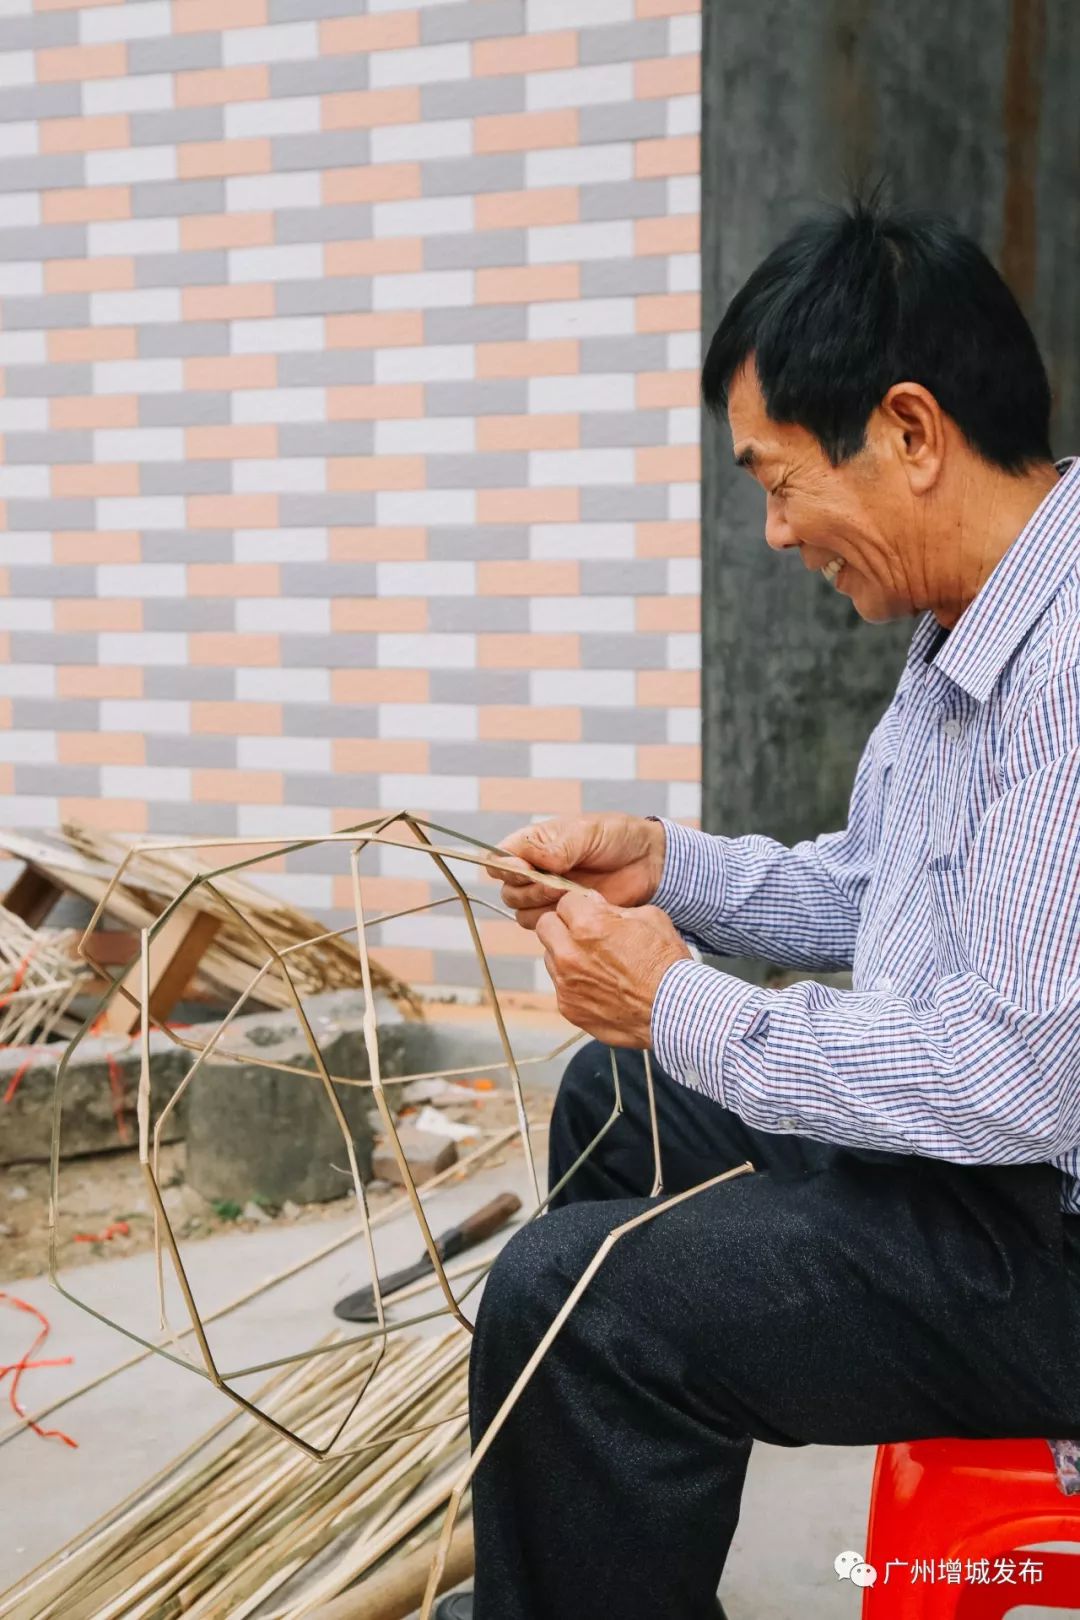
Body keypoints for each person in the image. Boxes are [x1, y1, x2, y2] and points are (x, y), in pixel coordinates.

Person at [435, 195, 1080, 1620]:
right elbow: (875, 888)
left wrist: (683, 1000)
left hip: (1043, 1242)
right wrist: (668, 866)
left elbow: (1021, 1076)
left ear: (910, 434)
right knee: (616, 1097)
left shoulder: (1071, 667)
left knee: (570, 1300)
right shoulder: (966, 628)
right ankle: (609, 1567)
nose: (778, 533)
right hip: (982, 1176)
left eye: (780, 482)